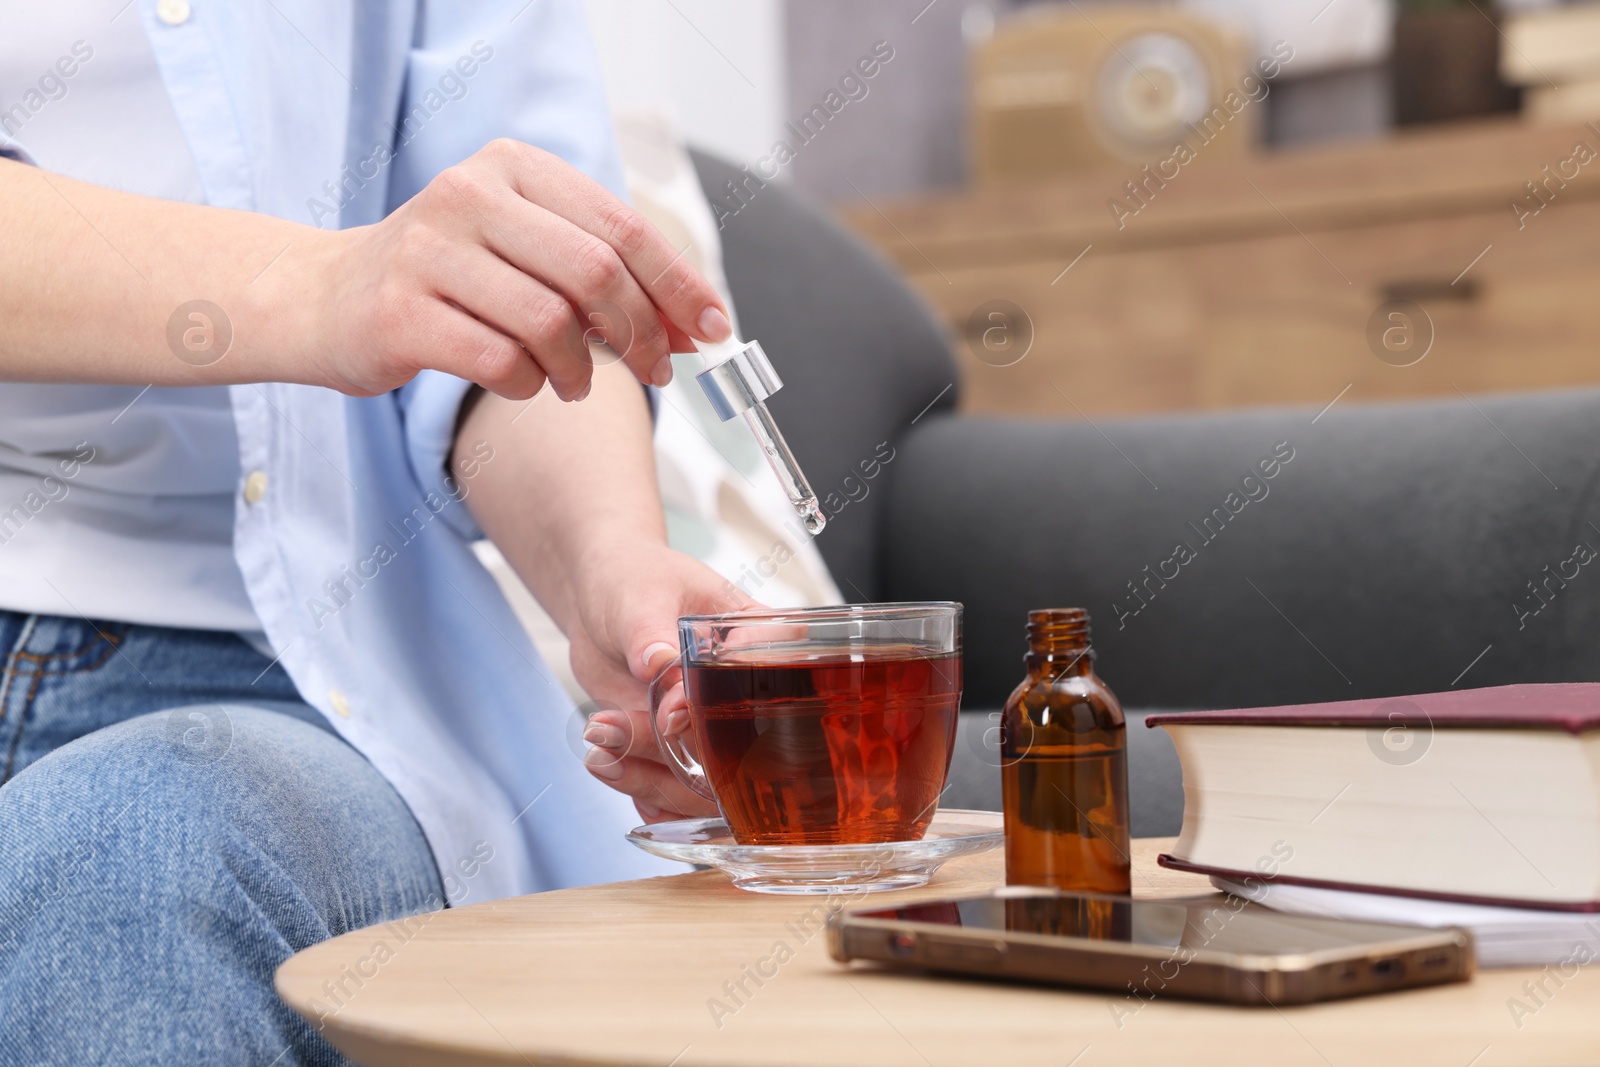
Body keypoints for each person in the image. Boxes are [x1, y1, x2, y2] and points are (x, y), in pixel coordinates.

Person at [0, 2, 728, 1062]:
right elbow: (391, 285)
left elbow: (517, 318)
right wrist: (326, 284)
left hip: (272, 687)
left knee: (140, 841)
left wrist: (607, 562)